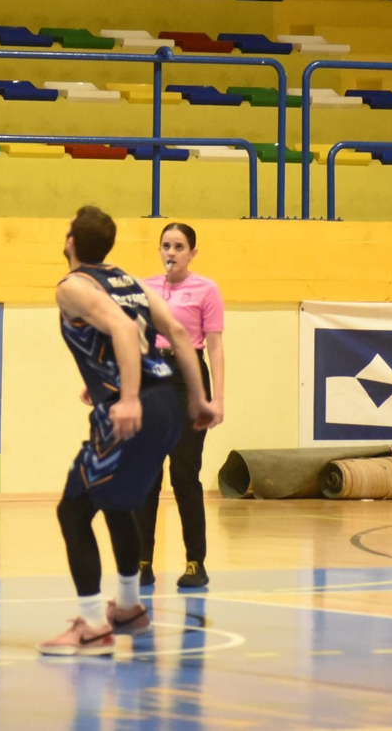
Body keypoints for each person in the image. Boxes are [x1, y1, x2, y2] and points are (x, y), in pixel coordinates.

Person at [40, 206, 219, 656]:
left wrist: (130, 397)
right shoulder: (128, 280)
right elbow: (178, 333)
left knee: (73, 512)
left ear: (71, 243)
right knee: (116, 502)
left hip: (132, 408)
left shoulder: (72, 287)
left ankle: (95, 625)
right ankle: (128, 607)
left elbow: (121, 328)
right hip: (169, 404)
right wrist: (197, 399)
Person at [135, 222, 225, 589]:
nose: (171, 253)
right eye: (166, 246)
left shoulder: (207, 290)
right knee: (146, 475)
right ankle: (141, 561)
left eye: (179, 247)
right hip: (151, 376)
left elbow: (215, 346)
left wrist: (217, 397)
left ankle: (194, 562)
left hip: (189, 377)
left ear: (192, 253)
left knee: (184, 474)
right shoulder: (144, 288)